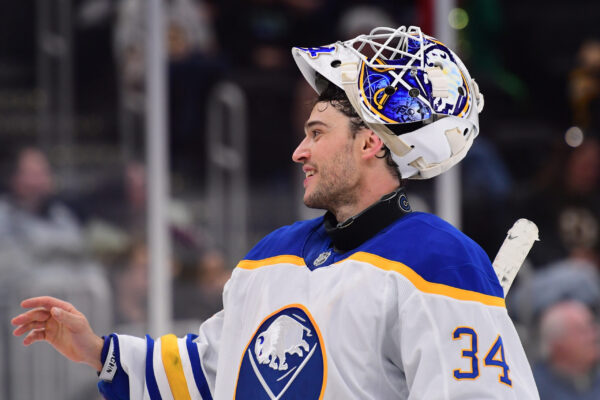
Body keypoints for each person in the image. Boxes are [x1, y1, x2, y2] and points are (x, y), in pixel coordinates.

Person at [11, 26, 539, 399]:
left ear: (370, 143)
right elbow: (212, 369)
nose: (299, 151)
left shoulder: (441, 261)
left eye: (317, 133)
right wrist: (98, 351)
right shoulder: (272, 255)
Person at [533, 300, 600, 399]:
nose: (594, 336)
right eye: (582, 331)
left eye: (592, 327)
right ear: (557, 344)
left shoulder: (595, 380)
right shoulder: (534, 390)